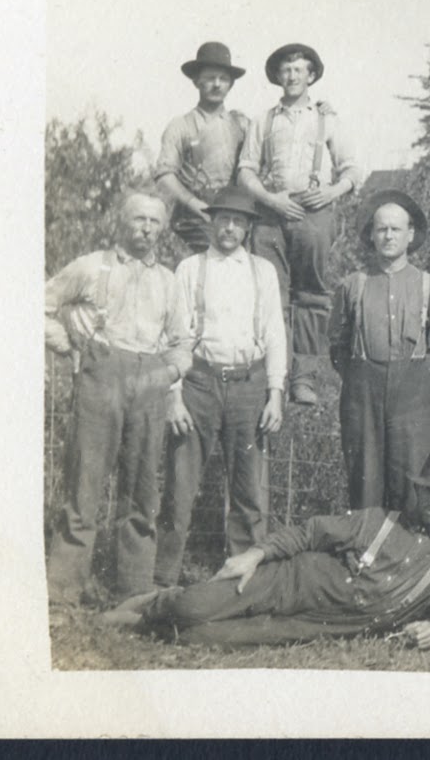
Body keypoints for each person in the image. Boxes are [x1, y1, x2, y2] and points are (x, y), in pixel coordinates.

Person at [117, 450, 430, 650]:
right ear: (418, 490)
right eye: (429, 490)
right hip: (289, 581)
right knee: (191, 608)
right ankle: (154, 603)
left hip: (317, 624)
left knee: (200, 638)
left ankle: (147, 625)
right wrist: (256, 555)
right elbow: (311, 533)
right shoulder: (378, 520)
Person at [44, 192, 188, 605]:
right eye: (139, 219)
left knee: (142, 488)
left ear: (162, 229)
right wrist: (69, 348)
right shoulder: (92, 266)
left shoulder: (169, 281)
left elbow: (182, 342)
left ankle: (134, 591)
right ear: (122, 222)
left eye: (154, 222)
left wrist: (169, 373)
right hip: (101, 376)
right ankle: (64, 589)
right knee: (85, 482)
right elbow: (41, 304)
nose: (146, 229)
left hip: (150, 379)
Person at [155, 186, 287, 588]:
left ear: (248, 228)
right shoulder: (190, 268)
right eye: (224, 219)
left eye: (238, 221)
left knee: (248, 492)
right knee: (180, 486)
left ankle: (241, 585)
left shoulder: (262, 271)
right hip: (198, 384)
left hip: (249, 386)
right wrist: (174, 396)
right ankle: (161, 582)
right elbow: (172, 337)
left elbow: (275, 334)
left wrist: (275, 394)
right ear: (212, 222)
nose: (230, 227)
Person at [237, 43, 366, 404]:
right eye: (286, 70)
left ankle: (303, 378)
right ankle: (273, 375)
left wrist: (331, 192)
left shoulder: (328, 119)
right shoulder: (264, 120)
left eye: (298, 69)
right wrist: (269, 199)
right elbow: (246, 170)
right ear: (278, 76)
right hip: (272, 211)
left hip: (313, 211)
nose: (292, 76)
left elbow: (353, 169)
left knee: (310, 294)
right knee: (269, 293)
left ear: (311, 75)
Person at [329, 188, 430, 512]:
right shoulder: (353, 284)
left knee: (410, 476)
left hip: (412, 394)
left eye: (396, 229)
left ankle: (405, 542)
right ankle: (365, 541)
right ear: (371, 234)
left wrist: (409, 380)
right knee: (364, 477)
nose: (388, 236)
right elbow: (338, 345)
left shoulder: (429, 285)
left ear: (410, 234)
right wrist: (363, 376)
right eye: (381, 229)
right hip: (362, 392)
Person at [154, 41, 252, 253]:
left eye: (223, 79)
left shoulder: (242, 124)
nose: (217, 84)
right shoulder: (181, 126)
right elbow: (164, 176)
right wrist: (193, 203)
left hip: (233, 211)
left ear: (230, 84)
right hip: (194, 217)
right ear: (196, 81)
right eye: (209, 78)